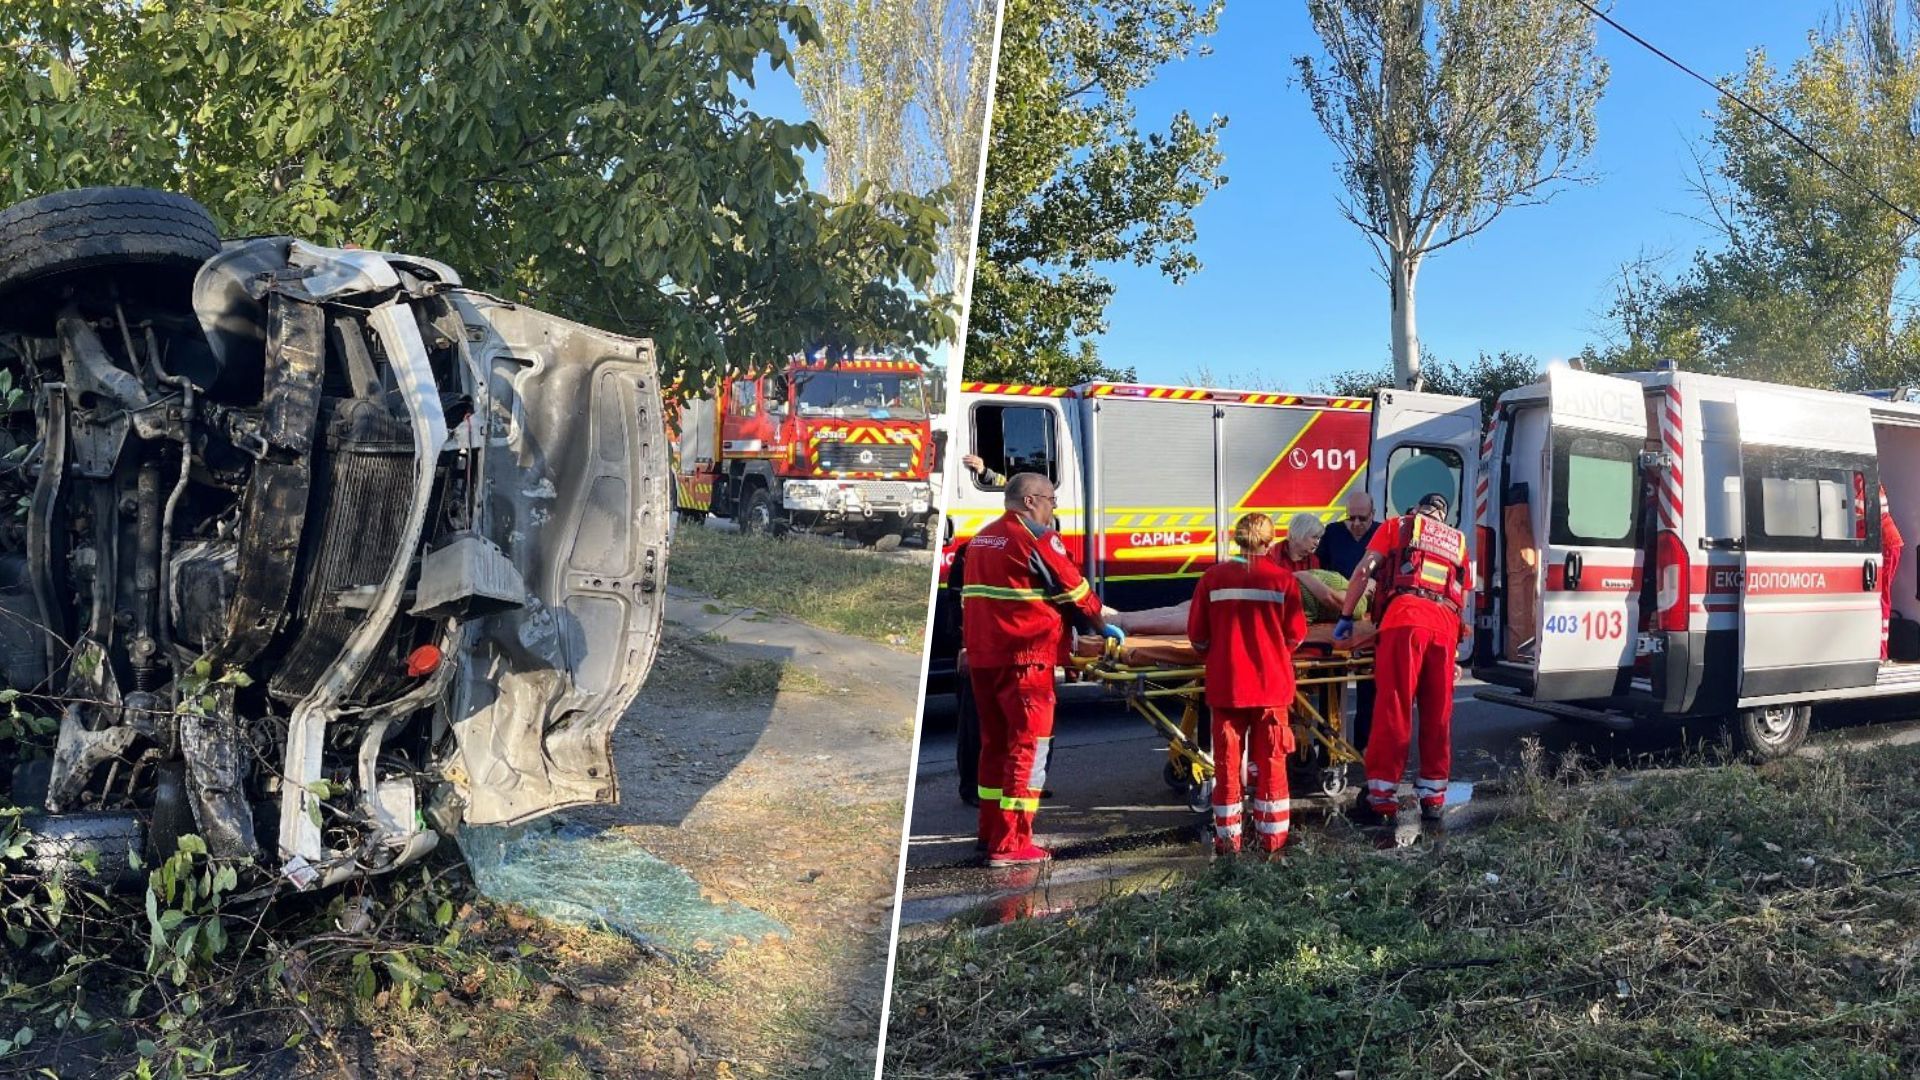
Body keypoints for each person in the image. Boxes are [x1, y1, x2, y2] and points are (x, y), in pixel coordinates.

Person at [962, 472, 1116, 866]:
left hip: (985, 658)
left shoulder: (982, 538)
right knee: (1027, 750)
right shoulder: (1036, 539)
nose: (1054, 508)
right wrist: (1102, 626)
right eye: (1051, 499)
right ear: (1030, 500)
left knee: (994, 746)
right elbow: (1075, 590)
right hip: (1026, 659)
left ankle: (989, 832)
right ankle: (1011, 845)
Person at [1333, 492, 1471, 826]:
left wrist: (1347, 614)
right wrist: (1455, 647)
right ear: (1443, 515)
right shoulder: (1459, 542)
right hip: (1445, 627)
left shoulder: (1398, 526)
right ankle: (1434, 798)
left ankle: (1381, 798)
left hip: (1404, 620)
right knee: (1438, 714)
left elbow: (1364, 570)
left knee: (1394, 708)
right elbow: (1464, 594)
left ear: (1416, 509)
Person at [1188, 513, 1308, 855]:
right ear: (1271, 542)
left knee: (1227, 765)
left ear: (1237, 540)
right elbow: (1295, 635)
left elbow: (1197, 637)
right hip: (1271, 688)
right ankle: (1272, 842)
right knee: (1271, 762)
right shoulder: (1283, 580)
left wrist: (1220, 653)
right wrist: (1272, 653)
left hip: (1227, 686)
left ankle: (1229, 842)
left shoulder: (1213, 578)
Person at [1316, 492, 1380, 752]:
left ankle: (1365, 742)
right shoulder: (1333, 534)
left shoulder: (1381, 534)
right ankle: (1329, 742)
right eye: (1350, 517)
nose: (1355, 524)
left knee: (1370, 683)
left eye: (1361, 519)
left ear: (1372, 515)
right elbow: (1319, 571)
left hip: (1368, 618)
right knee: (1330, 682)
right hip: (1337, 615)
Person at [1883, 485, 1904, 661]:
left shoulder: (1859, 480)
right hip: (1886, 543)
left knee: (1882, 598)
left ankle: (1881, 654)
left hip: (1886, 544)